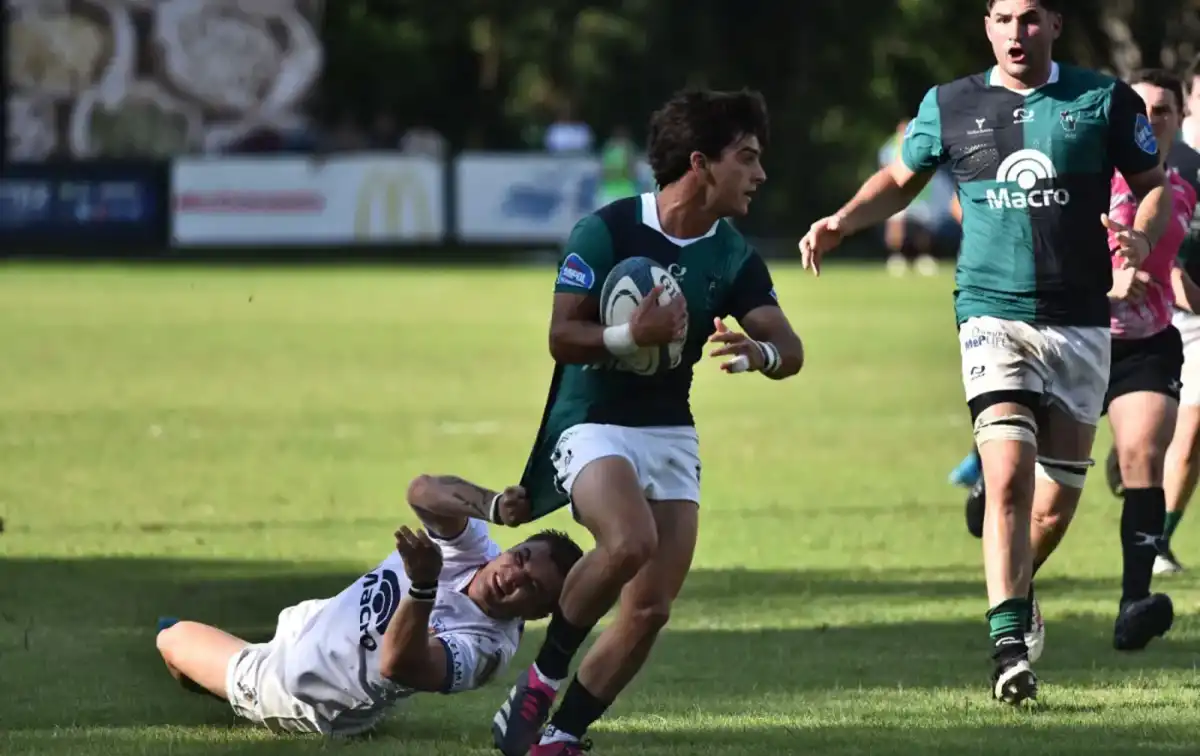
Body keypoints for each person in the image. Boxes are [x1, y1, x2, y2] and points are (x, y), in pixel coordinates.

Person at [799, 0, 1172, 705]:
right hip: (991, 315)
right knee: (1006, 478)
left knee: (1054, 508)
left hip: (1081, 323)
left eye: (1031, 18)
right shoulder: (950, 103)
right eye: (1003, 17)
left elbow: (1152, 190)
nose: (1016, 32)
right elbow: (901, 179)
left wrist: (1141, 236)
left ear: (1056, 24)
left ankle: (1017, 593)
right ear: (987, 26)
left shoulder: (1102, 99)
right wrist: (842, 223)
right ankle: (1008, 648)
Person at [491, 88, 805, 756]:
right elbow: (560, 336)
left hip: (669, 429)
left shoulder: (732, 255)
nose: (760, 174)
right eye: (746, 159)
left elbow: (792, 349)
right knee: (627, 541)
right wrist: (630, 334)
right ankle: (544, 677)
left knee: (650, 608)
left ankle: (561, 736)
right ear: (702, 163)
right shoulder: (605, 231)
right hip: (592, 418)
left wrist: (762, 352)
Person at [155, 475, 582, 737]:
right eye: (521, 557)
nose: (514, 574)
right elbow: (422, 491)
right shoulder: (475, 549)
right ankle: (218, 678)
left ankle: (227, 687)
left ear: (537, 614)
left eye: (532, 587)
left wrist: (423, 586)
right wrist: (491, 504)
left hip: (299, 691)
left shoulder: (486, 649)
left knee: (172, 637)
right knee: (190, 646)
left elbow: (398, 665)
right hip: (310, 625)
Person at [1107, 72, 1200, 575]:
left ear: (1181, 116)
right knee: (1049, 491)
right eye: (1139, 108)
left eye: (1162, 110)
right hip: (1081, 332)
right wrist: (1111, 283)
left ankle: (1139, 589)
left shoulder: (1185, 183)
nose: (1149, 120)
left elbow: (1175, 256)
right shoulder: (1096, 178)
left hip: (1157, 335)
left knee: (1170, 436)